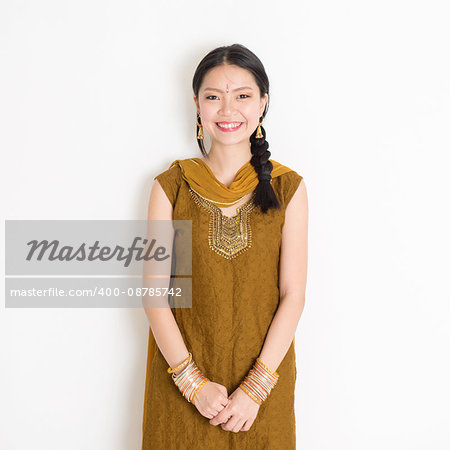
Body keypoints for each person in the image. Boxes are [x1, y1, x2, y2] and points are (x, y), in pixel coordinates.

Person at [142, 43, 308, 449]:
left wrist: (254, 390)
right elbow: (153, 295)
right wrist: (192, 384)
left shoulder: (289, 188)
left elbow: (293, 295)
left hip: (261, 394)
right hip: (181, 386)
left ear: (263, 103)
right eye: (214, 97)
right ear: (197, 104)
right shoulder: (171, 187)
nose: (228, 110)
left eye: (243, 96)